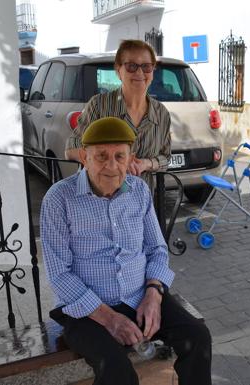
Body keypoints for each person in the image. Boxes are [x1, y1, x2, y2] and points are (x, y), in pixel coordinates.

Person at [41, 117, 211, 385]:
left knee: (197, 338)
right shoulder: (59, 198)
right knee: (117, 373)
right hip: (86, 310)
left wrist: (154, 294)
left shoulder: (139, 191)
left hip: (139, 296)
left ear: (131, 157)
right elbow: (59, 275)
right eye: (101, 156)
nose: (112, 166)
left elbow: (156, 249)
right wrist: (109, 319)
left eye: (120, 156)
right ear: (84, 157)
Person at [65, 39, 171, 192]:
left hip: (140, 204)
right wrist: (110, 160)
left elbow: (166, 158)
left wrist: (145, 164)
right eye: (131, 66)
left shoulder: (161, 113)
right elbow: (71, 148)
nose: (139, 73)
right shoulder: (99, 105)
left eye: (146, 67)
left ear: (153, 71)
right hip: (99, 199)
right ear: (118, 70)